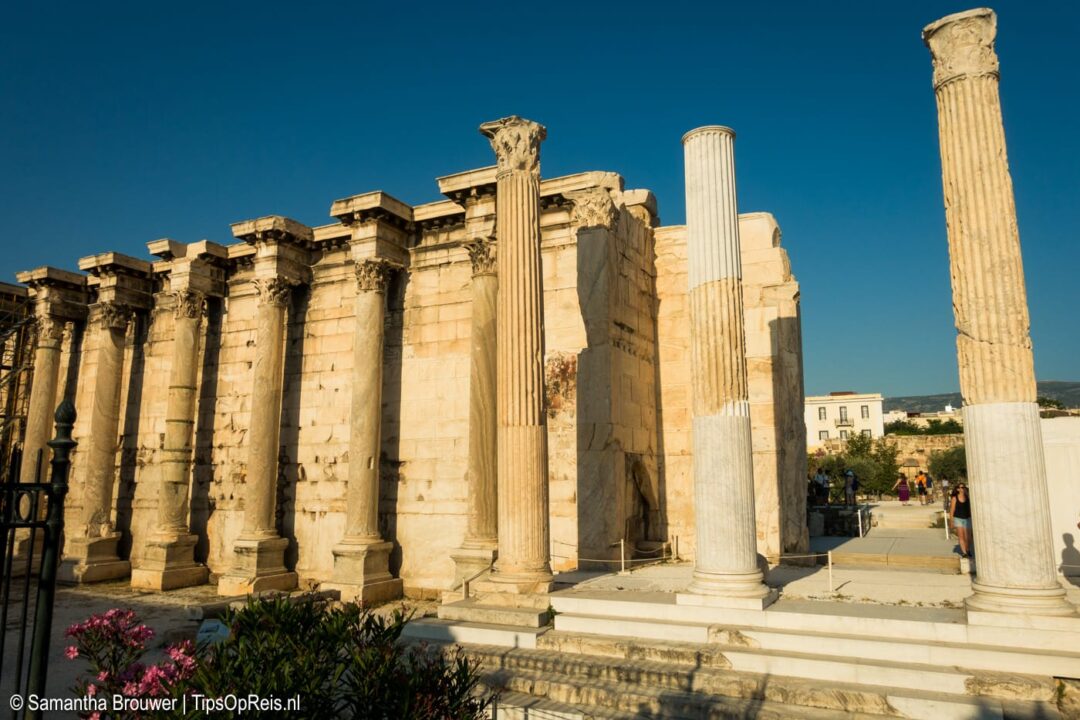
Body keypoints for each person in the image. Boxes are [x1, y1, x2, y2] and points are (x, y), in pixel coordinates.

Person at [950, 482, 973, 558]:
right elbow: (952, 510)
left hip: (967, 518)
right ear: (958, 489)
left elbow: (970, 509)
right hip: (958, 519)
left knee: (969, 537)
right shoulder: (954, 498)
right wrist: (951, 521)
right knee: (961, 536)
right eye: (961, 487)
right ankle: (964, 552)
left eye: (963, 487)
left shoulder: (968, 497)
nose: (962, 489)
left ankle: (967, 549)